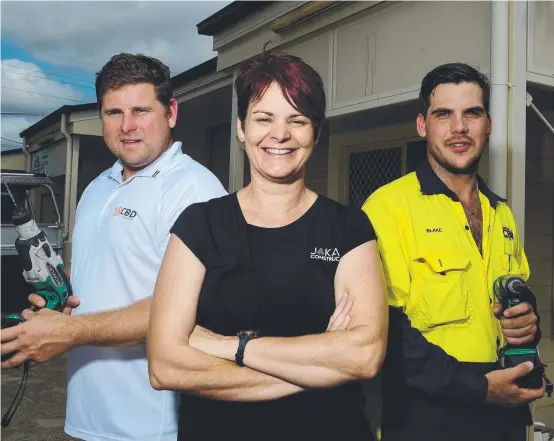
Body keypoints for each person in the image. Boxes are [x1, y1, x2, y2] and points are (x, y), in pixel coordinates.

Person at [147, 52, 388, 441]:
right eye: (264, 119)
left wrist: (232, 346)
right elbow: (166, 366)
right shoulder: (199, 225)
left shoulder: (348, 228)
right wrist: (322, 368)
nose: (280, 134)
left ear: (317, 132)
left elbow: (364, 356)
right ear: (241, 128)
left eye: (298, 120)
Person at [0, 53, 227, 441]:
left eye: (141, 110)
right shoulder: (98, 186)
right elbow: (98, 274)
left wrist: (72, 334)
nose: (127, 126)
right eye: (113, 112)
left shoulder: (194, 191)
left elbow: (190, 310)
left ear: (171, 112)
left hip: (154, 425)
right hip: (89, 416)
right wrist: (56, 308)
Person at [362, 63, 545, 441]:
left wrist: (528, 324)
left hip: (505, 418)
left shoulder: (501, 212)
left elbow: (513, 300)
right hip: (427, 420)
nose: (459, 128)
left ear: (488, 124)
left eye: (472, 113)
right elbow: (385, 333)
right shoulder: (387, 209)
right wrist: (479, 388)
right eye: (443, 114)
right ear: (422, 125)